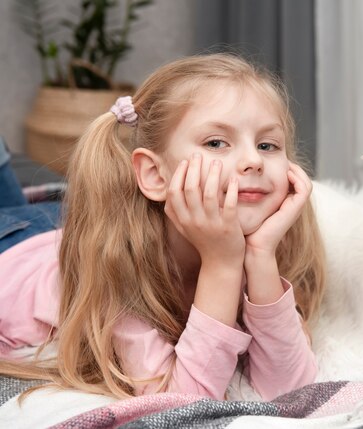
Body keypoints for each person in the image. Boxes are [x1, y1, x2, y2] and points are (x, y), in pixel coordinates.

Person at [0, 53, 326, 401]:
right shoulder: (118, 265)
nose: (253, 161)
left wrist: (261, 256)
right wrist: (222, 263)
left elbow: (294, 390)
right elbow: (182, 406)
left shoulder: (261, 247)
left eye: (267, 145)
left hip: (53, 229)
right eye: (216, 142)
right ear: (156, 175)